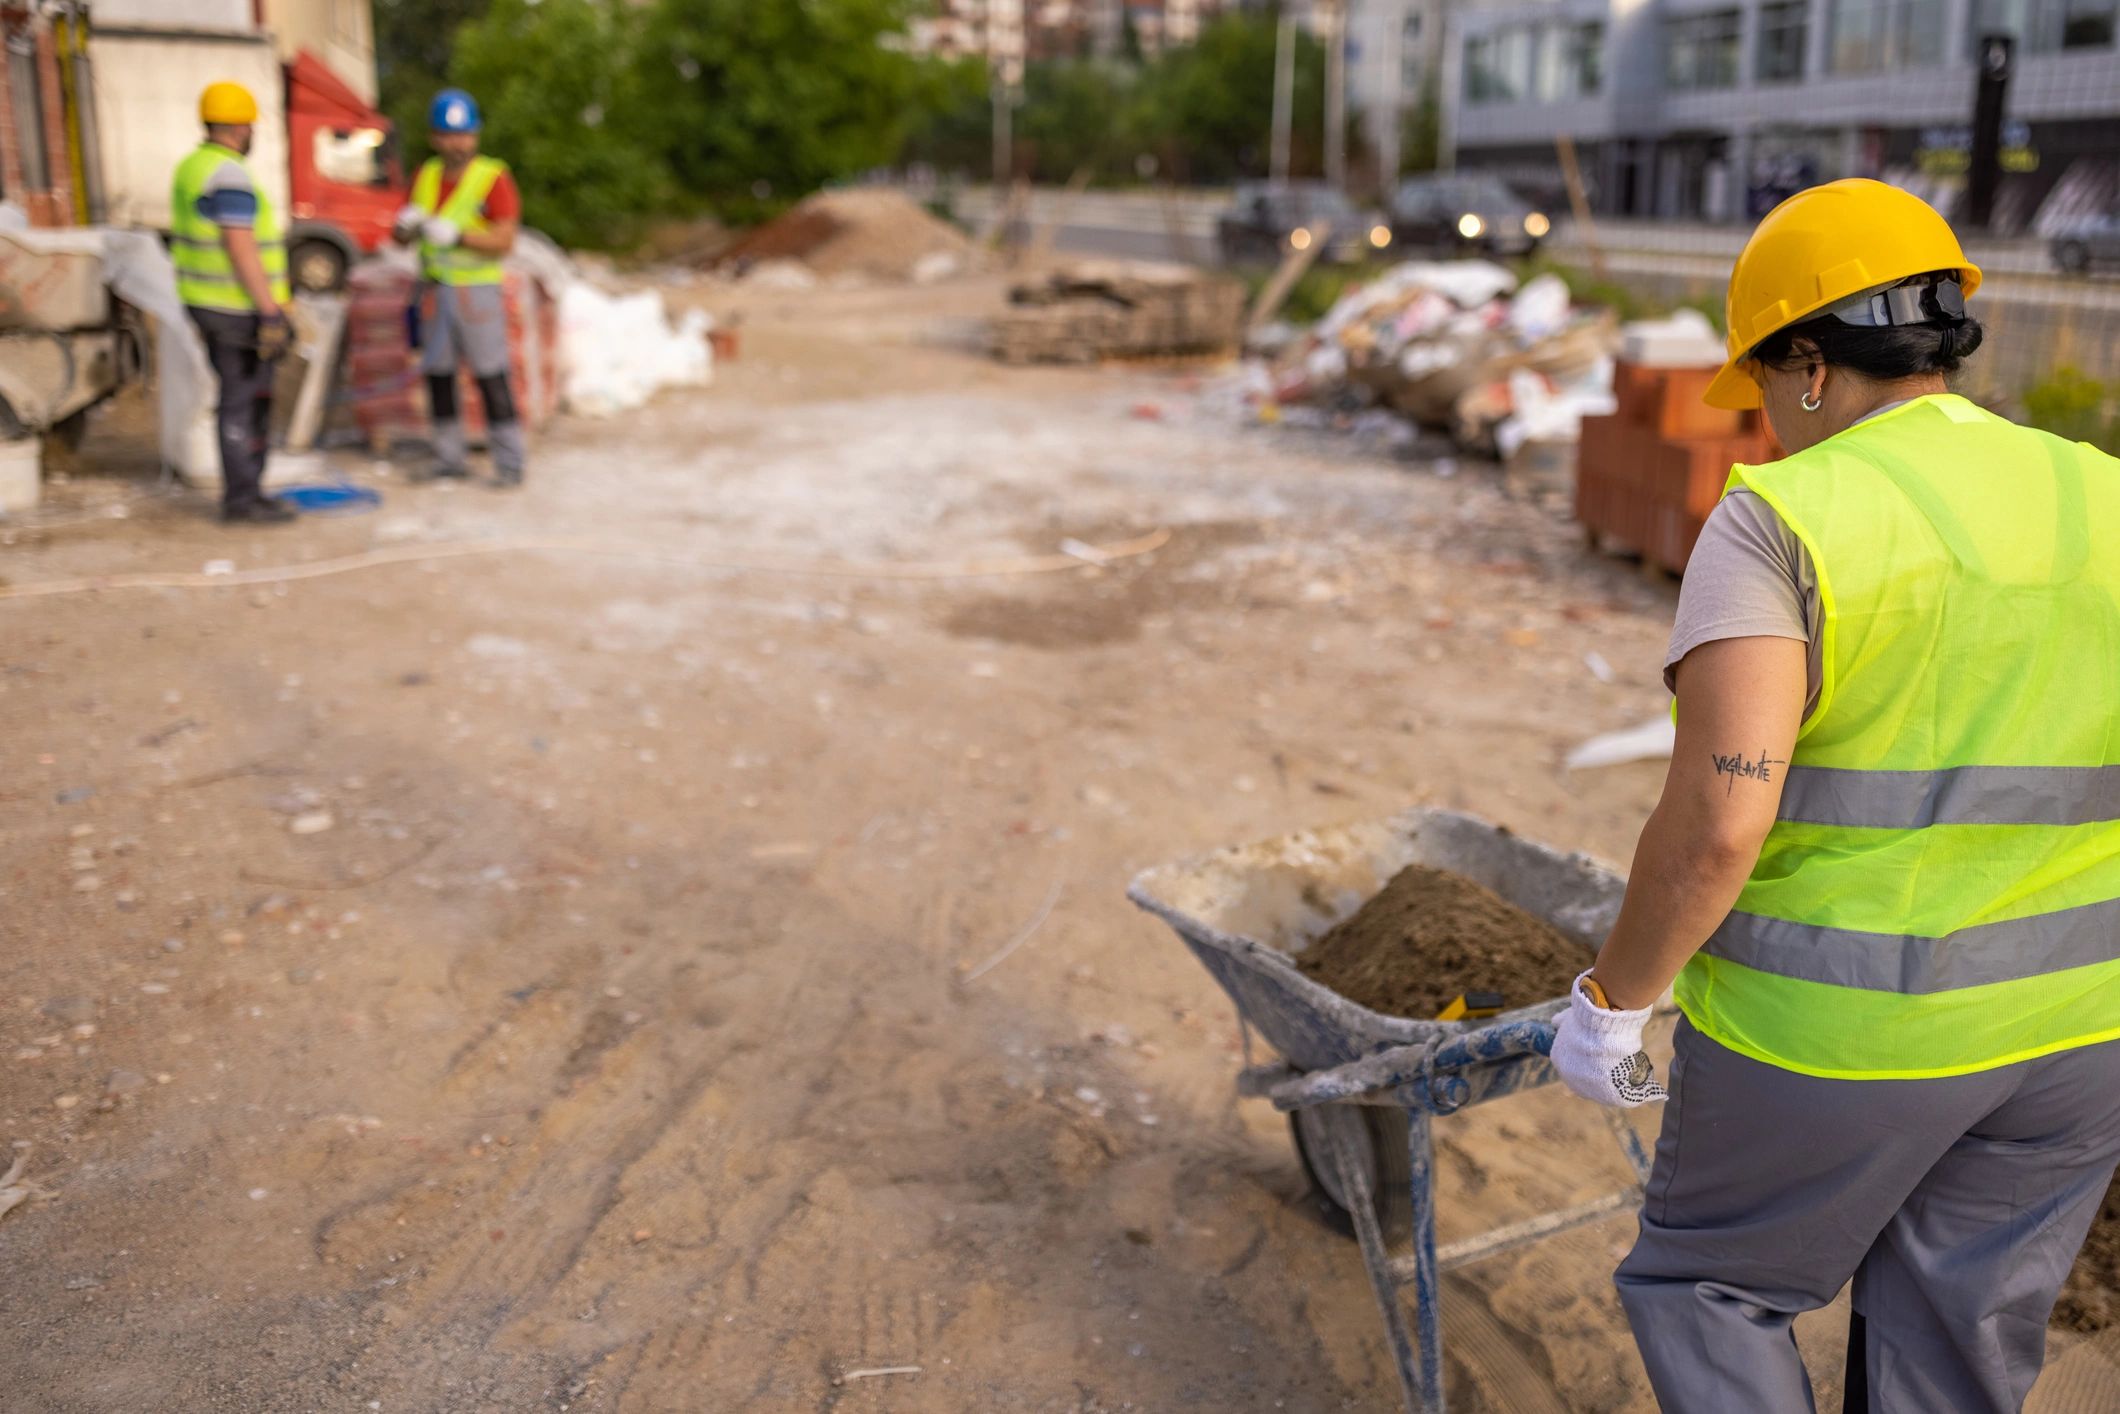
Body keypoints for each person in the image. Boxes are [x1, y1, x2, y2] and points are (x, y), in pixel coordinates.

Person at [1549, 178, 2120, 1412]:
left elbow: (1718, 823)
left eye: (1759, 382)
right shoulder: (2101, 493)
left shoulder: (1782, 522)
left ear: (1808, 362)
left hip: (1838, 1033)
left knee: (1704, 1290)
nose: (1759, 417)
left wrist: (1612, 1001)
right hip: (2079, 1033)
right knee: (1951, 1346)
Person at [171, 81, 296, 524]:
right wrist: (270, 310)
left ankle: (244, 494)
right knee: (246, 400)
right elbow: (240, 245)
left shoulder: (192, 166)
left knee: (237, 398)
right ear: (242, 127)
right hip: (236, 309)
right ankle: (244, 498)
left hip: (206, 303)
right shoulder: (228, 174)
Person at [392, 88, 526, 487]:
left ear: (476, 135)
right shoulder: (426, 175)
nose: (457, 143)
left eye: (464, 134)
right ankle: (449, 458)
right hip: (434, 291)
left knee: (490, 376)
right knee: (439, 376)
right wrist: (405, 227)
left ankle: (509, 463)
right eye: (448, 135)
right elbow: (403, 238)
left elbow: (504, 240)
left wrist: (459, 236)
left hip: (476, 294)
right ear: (435, 137)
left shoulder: (492, 177)